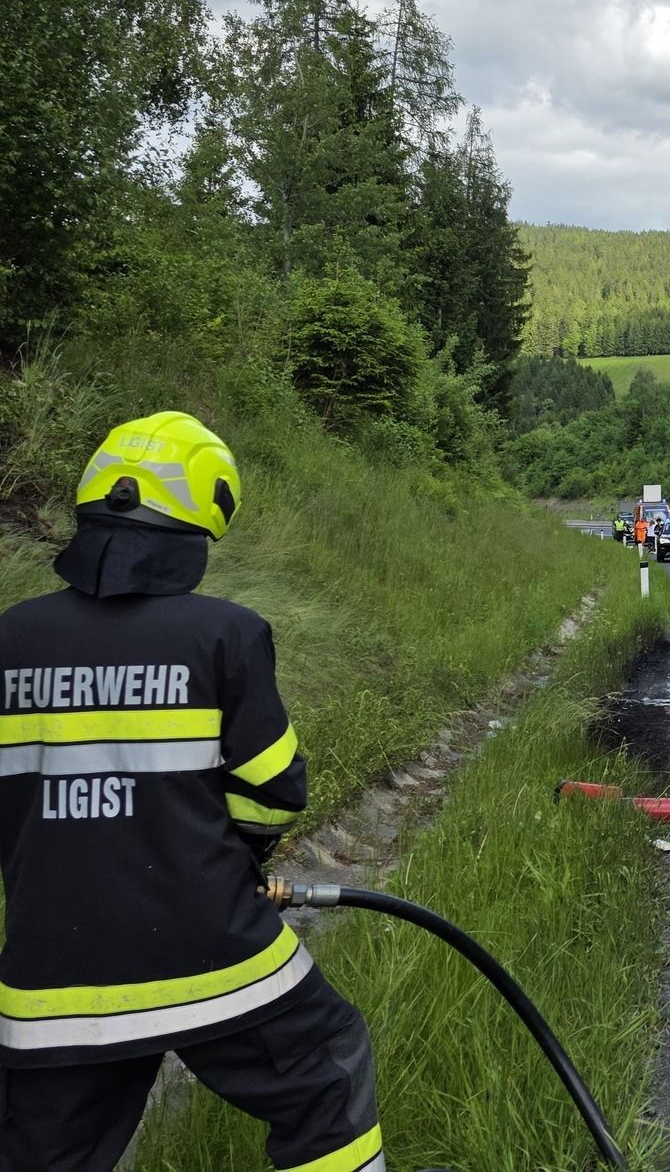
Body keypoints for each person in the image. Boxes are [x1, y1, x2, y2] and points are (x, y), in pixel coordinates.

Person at [0, 412, 385, 1172]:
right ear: (196, 524)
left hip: (50, 983)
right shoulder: (224, 636)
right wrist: (233, 863)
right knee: (322, 1069)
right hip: (212, 955)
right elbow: (274, 792)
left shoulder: (10, 639)